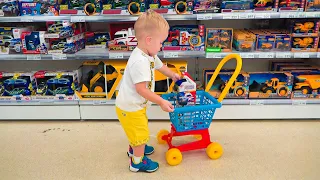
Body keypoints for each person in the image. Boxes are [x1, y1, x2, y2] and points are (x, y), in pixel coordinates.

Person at [115, 9, 180, 173]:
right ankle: (137, 161)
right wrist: (161, 101)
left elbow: (160, 66)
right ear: (149, 40)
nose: (162, 46)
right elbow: (141, 89)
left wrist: (172, 74)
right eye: (161, 42)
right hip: (130, 107)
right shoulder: (140, 62)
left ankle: (135, 147)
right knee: (140, 131)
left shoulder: (148, 53)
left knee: (138, 130)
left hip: (135, 105)